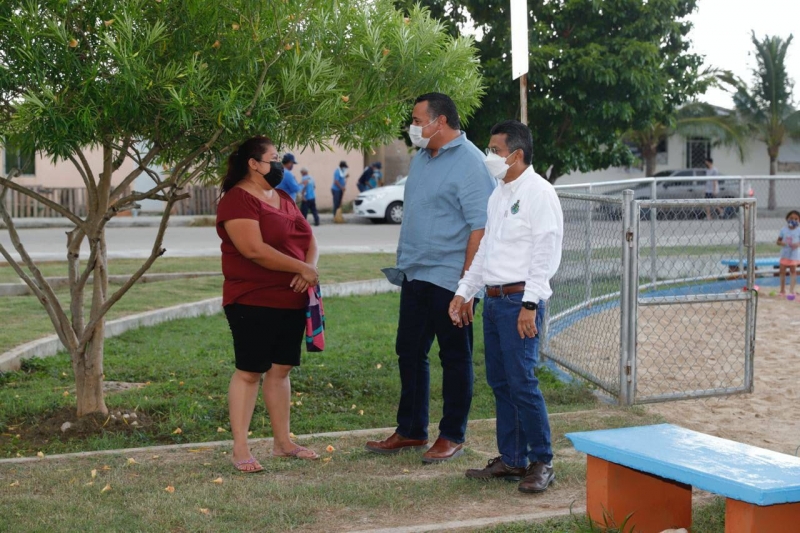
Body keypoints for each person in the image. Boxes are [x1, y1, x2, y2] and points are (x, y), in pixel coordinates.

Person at [366, 92, 494, 463]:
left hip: (451, 280)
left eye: (418, 120)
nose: (413, 127)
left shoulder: (471, 164)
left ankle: (452, 434)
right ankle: (411, 430)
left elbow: (480, 228)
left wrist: (468, 288)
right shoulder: (423, 158)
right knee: (409, 350)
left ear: (441, 122)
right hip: (416, 273)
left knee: (455, 357)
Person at [449, 120, 563, 494]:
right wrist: (465, 290)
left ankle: (542, 461)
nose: (489, 156)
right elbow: (486, 251)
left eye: (495, 150)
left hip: (520, 301)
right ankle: (512, 459)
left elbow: (545, 252)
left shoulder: (539, 192)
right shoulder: (499, 193)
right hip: (495, 301)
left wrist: (531, 303)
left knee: (522, 381)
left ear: (516, 154)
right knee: (501, 382)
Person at [216, 136, 321, 473]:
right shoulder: (236, 201)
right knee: (250, 371)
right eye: (273, 157)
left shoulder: (283, 197)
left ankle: (282, 443)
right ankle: (240, 449)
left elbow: (309, 240)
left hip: (291, 298)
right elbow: (253, 250)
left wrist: (309, 270)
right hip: (252, 298)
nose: (279, 163)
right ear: (253, 163)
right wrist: (301, 268)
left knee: (281, 369)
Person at [777, 210, 800, 296]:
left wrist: (797, 244)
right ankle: (782, 290)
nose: (793, 220)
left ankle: (792, 290)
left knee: (793, 271)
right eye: (791, 218)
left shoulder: (799, 230)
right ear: (787, 219)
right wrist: (782, 243)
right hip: (785, 254)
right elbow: (778, 241)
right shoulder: (783, 229)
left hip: (794, 255)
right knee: (782, 271)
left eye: (796, 219)